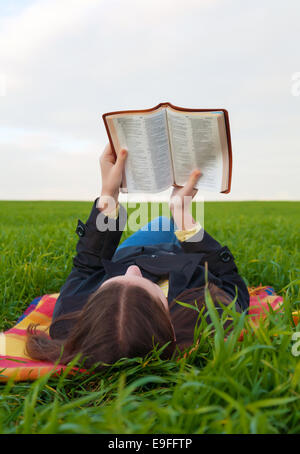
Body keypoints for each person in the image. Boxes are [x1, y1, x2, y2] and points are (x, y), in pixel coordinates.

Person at [25, 143, 249, 369]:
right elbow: (232, 284)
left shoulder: (69, 321)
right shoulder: (202, 319)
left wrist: (108, 196)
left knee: (160, 225)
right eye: (143, 283)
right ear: (166, 320)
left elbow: (87, 267)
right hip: (180, 260)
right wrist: (183, 217)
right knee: (167, 224)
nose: (133, 270)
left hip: (132, 253)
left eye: (112, 283)